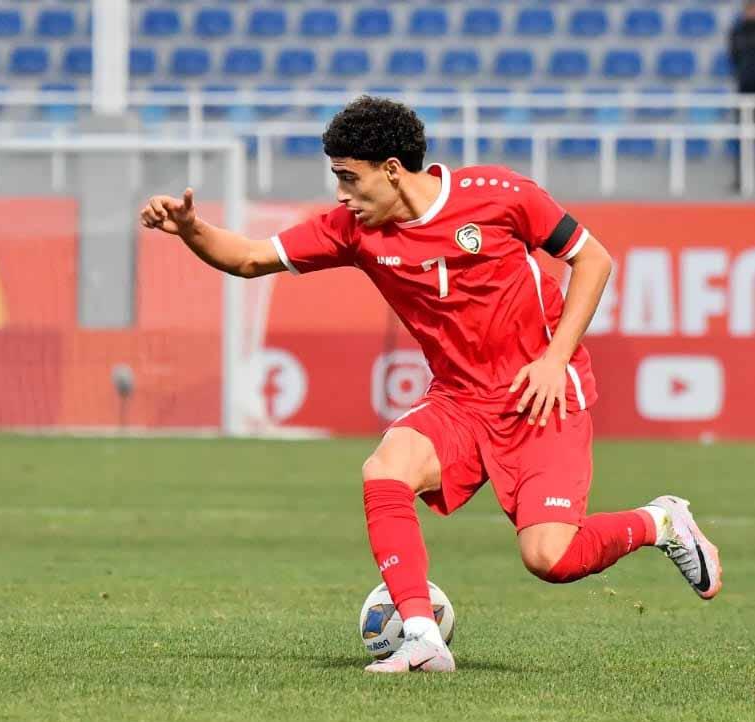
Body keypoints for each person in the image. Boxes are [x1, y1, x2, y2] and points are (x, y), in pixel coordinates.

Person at [139, 97, 722, 674]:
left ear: (393, 169)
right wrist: (191, 228)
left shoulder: (500, 194)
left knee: (551, 558)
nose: (341, 194)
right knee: (385, 469)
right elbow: (248, 258)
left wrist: (554, 359)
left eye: (349, 177)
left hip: (540, 396)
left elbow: (593, 260)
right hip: (459, 400)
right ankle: (421, 637)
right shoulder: (353, 230)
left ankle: (660, 523)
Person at [729, 1, 755, 187]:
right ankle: (742, 178)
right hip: (744, 89)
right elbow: (734, 55)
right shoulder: (738, 30)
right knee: (742, 137)